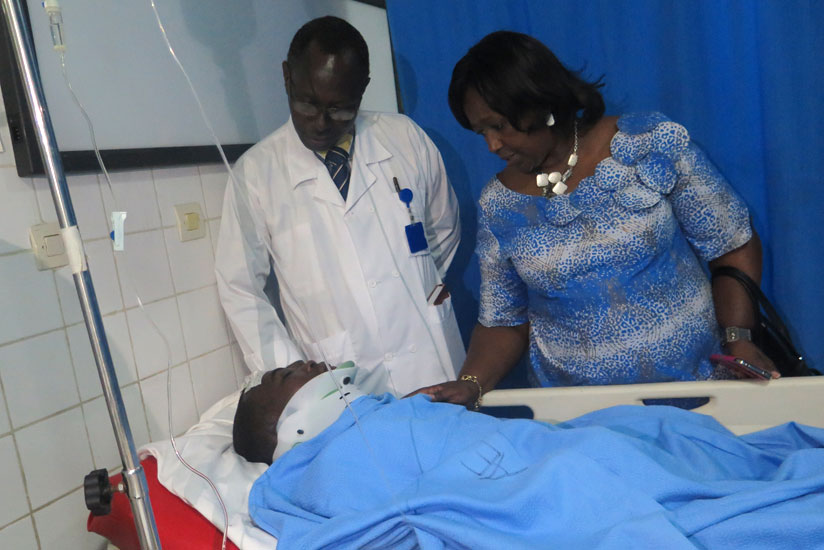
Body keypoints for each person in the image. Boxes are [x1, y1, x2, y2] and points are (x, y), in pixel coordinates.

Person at [411, 31, 776, 409]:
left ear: (537, 103)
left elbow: (731, 242)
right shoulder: (499, 205)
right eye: (481, 132)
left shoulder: (648, 145)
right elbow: (504, 321)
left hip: (696, 398)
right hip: (579, 421)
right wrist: (471, 383)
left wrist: (739, 337)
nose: (491, 145)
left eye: (498, 126)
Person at [234, 363, 824, 550]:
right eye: (281, 376)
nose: (301, 363)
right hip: (556, 480)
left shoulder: (386, 410)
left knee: (653, 430)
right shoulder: (322, 463)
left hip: (568, 448)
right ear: (288, 421)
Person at [215, 16, 465, 397]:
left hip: (428, 358)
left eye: (340, 109)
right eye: (307, 103)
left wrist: (417, 292)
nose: (320, 123)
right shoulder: (256, 174)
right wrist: (294, 378)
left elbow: (442, 227)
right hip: (340, 381)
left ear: (362, 89)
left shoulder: (404, 138)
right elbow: (240, 289)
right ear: (287, 77)